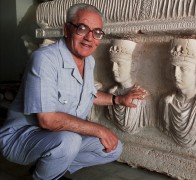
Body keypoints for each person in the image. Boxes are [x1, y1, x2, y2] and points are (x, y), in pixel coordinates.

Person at [0, 3, 146, 179]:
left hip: (56, 137)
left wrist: (118, 99)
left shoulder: (88, 61)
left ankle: (54, 171)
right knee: (70, 141)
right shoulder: (44, 59)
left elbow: (87, 93)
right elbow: (47, 120)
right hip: (22, 137)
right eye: (82, 28)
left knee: (112, 148)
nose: (89, 38)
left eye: (97, 32)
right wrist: (98, 129)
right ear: (67, 29)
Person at [106, 39, 149, 134]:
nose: (113, 69)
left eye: (119, 64)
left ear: (133, 65)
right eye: (112, 63)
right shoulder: (111, 93)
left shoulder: (141, 97)